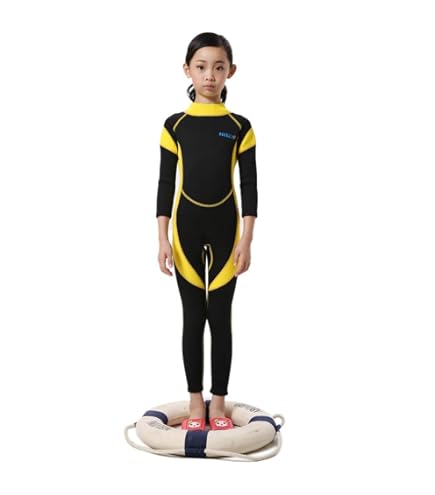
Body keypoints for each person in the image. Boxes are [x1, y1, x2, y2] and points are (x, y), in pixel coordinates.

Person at [156, 32, 258, 431]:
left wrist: (246, 239)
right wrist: (162, 238)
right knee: (192, 317)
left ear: (231, 71)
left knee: (220, 318)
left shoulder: (240, 127)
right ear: (187, 70)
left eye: (218, 67)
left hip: (226, 231)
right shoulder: (175, 126)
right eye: (201, 67)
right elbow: (166, 185)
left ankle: (219, 402)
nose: (210, 76)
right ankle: (195, 401)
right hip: (185, 232)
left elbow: (249, 186)